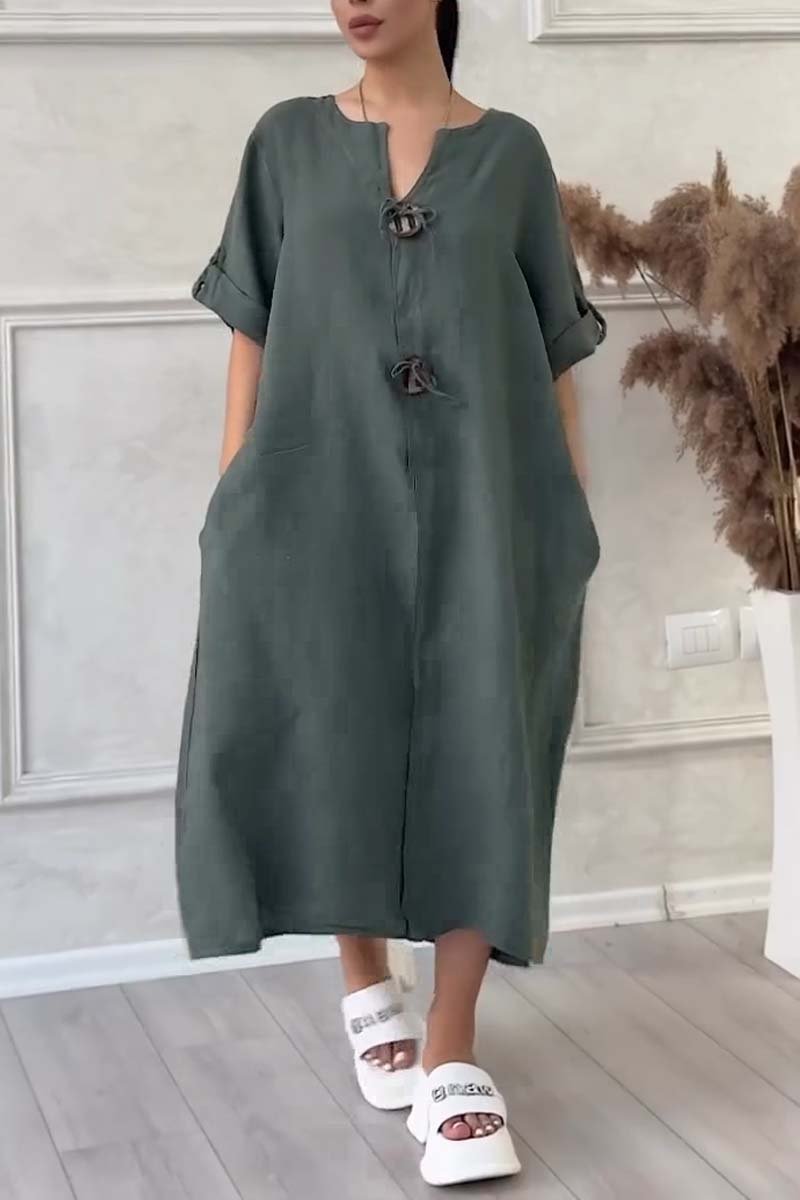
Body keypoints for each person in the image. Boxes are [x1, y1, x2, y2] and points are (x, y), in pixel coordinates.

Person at [175, 0, 607, 1186]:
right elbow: (251, 333)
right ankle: (365, 978)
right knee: (328, 728)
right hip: (311, 492)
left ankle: (452, 1047)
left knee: (486, 746)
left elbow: (554, 349)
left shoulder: (510, 155)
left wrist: (567, 515)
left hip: (490, 501)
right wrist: (232, 503)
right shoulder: (284, 142)